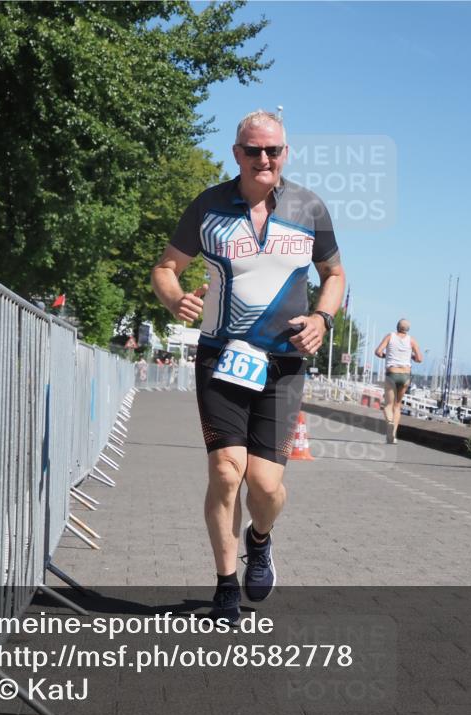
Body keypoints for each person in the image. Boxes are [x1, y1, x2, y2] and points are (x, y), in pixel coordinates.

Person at [150, 110, 345, 623]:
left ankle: (260, 539)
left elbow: (335, 274)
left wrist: (322, 318)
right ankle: (225, 584)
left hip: (284, 363)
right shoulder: (209, 206)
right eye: (253, 150)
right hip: (222, 356)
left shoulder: (309, 207)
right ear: (236, 153)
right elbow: (166, 268)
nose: (264, 159)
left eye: (272, 150)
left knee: (265, 485)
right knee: (225, 470)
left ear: (285, 153)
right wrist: (174, 298)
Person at [374, 319, 423, 443]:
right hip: (405, 375)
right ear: (408, 329)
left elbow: (378, 352)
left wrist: (386, 356)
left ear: (397, 327)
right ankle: (393, 435)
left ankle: (390, 423)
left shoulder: (390, 336)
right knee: (397, 405)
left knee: (388, 405)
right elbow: (419, 359)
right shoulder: (411, 340)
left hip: (392, 374)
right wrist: (411, 356)